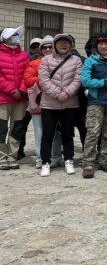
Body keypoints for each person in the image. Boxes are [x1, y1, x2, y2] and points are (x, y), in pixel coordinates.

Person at [38, 34, 83, 177]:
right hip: (49, 103)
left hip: (69, 103)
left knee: (67, 134)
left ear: (71, 45)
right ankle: (45, 162)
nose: (64, 45)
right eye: (60, 42)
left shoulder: (76, 60)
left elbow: (78, 79)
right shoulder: (46, 60)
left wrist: (67, 93)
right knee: (47, 135)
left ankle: (69, 160)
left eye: (66, 42)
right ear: (54, 45)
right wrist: (57, 93)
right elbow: (43, 79)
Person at [80, 33, 107, 177]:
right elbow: (86, 80)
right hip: (96, 101)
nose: (104, 47)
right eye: (101, 44)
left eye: (106, 44)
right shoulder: (90, 61)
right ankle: (89, 163)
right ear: (96, 46)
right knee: (93, 132)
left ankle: (104, 159)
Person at [24, 37, 62, 169]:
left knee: (56, 132)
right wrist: (44, 80)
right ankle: (40, 158)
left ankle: (55, 157)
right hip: (38, 103)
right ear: (41, 50)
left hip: (57, 102)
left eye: (50, 47)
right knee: (39, 132)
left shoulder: (61, 62)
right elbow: (27, 80)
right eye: (44, 47)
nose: (47, 49)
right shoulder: (34, 63)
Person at [0, 26, 30, 170]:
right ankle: (2, 157)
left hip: (20, 99)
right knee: (1, 129)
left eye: (17, 35)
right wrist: (12, 90)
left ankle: (12, 156)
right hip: (3, 99)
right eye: (13, 35)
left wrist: (22, 90)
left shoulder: (24, 55)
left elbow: (27, 74)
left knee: (17, 128)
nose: (16, 37)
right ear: (5, 38)